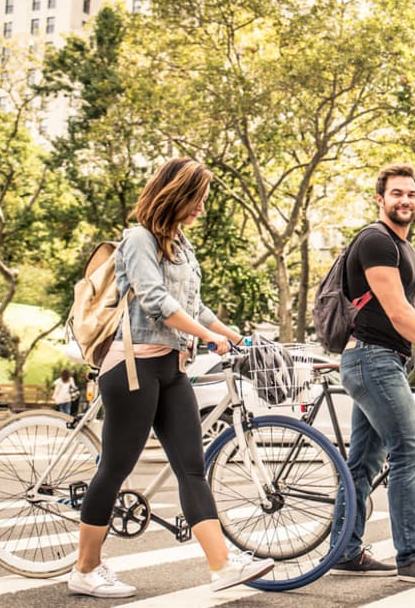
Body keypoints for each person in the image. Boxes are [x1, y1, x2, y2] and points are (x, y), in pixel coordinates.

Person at [68, 158, 273, 599]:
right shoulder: (138, 239)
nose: (201, 207)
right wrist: (203, 336)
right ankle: (85, 568)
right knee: (116, 467)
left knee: (191, 467)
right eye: (197, 198)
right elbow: (155, 299)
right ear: (176, 194)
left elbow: (194, 306)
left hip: (172, 368)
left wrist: (232, 336)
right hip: (133, 368)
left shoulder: (180, 245)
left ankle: (221, 566)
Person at [328, 164, 415, 584]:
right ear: (380, 199)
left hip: (382, 361)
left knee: (364, 462)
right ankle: (411, 556)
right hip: (372, 359)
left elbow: (411, 309)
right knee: (408, 448)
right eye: (397, 194)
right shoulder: (376, 240)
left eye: (411, 194)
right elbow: (396, 309)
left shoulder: (403, 248)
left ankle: (345, 550)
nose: (405, 200)